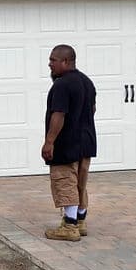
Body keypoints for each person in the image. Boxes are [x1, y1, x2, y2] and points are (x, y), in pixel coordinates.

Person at [41, 44, 96, 242]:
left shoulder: (62, 84)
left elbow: (59, 114)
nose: (49, 64)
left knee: (65, 181)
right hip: (86, 141)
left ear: (66, 61)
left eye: (53, 60)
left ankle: (70, 226)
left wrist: (49, 142)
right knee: (80, 182)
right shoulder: (86, 82)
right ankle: (80, 222)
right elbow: (93, 108)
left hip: (66, 143)